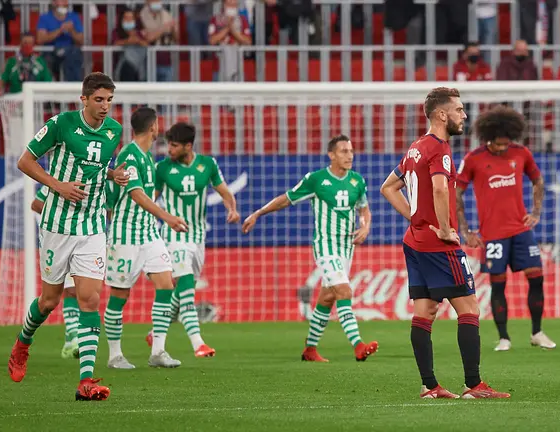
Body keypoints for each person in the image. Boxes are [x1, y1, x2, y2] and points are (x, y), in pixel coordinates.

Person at [380, 87, 510, 400]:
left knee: (424, 312)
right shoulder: (439, 148)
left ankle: (430, 386)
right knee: (469, 309)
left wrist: (416, 220)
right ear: (442, 114)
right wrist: (443, 227)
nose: (464, 116)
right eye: (460, 110)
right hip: (437, 243)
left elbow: (389, 187)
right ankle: (474, 385)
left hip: (414, 241)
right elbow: (439, 190)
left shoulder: (415, 148)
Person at [9, 72, 129, 401]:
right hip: (58, 224)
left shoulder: (114, 131)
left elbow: (99, 163)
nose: (105, 107)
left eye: (110, 100)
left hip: (91, 225)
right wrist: (57, 186)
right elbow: (25, 161)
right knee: (49, 301)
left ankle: (86, 380)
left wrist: (113, 174)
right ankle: (23, 342)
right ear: (85, 100)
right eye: (99, 100)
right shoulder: (61, 123)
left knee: (90, 298)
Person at [242, 135, 379, 363]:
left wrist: (365, 227)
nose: (349, 155)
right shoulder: (316, 180)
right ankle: (358, 346)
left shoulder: (357, 181)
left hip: (347, 247)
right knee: (344, 291)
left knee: (327, 298)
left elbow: (364, 209)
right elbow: (286, 199)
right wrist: (258, 213)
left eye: (351, 151)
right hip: (325, 245)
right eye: (344, 151)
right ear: (331, 155)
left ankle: (310, 350)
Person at [455, 106, 556, 352]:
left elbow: (538, 180)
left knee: (537, 278)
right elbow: (457, 192)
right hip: (493, 236)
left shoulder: (521, 153)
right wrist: (466, 230)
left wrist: (535, 212)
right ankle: (504, 338)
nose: (502, 148)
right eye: (498, 144)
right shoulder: (473, 159)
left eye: (505, 143)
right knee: (498, 285)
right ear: (487, 137)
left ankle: (537, 332)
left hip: (521, 231)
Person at [105, 107, 189, 370]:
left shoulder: (146, 156)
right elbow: (137, 195)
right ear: (153, 126)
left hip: (148, 233)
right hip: (125, 234)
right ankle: (115, 355)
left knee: (166, 284)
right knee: (120, 294)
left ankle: (158, 351)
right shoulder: (129, 155)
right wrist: (168, 217)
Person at [146, 122, 240, 357]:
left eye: (174, 145)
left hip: (198, 238)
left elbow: (224, 191)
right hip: (173, 236)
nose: (169, 150)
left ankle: (156, 330)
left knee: (181, 292)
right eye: (168, 145)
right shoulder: (162, 168)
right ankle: (198, 343)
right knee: (186, 285)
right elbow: (149, 200)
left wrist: (232, 209)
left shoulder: (207, 164)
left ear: (188, 146)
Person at [31, 186, 78, 359]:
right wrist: (60, 217)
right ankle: (74, 338)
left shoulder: (93, 174)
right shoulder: (58, 177)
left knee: (84, 292)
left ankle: (69, 340)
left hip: (85, 237)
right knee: (67, 292)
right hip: (59, 239)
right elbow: (36, 204)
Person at [36, 0, 84, 81]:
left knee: (75, 56)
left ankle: (72, 88)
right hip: (50, 52)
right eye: (61, 1)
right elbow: (40, 39)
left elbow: (81, 41)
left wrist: (72, 31)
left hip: (70, 52)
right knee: (46, 60)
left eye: (66, 1)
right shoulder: (45, 17)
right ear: (53, 3)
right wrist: (60, 30)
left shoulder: (74, 17)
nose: (64, 3)